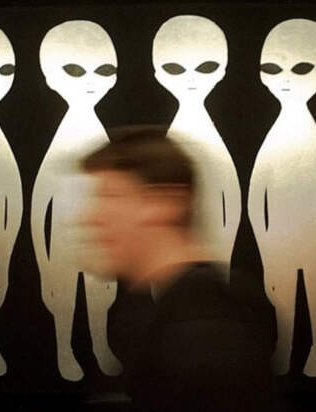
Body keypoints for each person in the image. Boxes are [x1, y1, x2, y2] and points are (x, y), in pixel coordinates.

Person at [81, 126, 276, 412]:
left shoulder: (203, 335)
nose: (91, 217)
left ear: (164, 203)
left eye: (110, 196)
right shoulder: (182, 314)